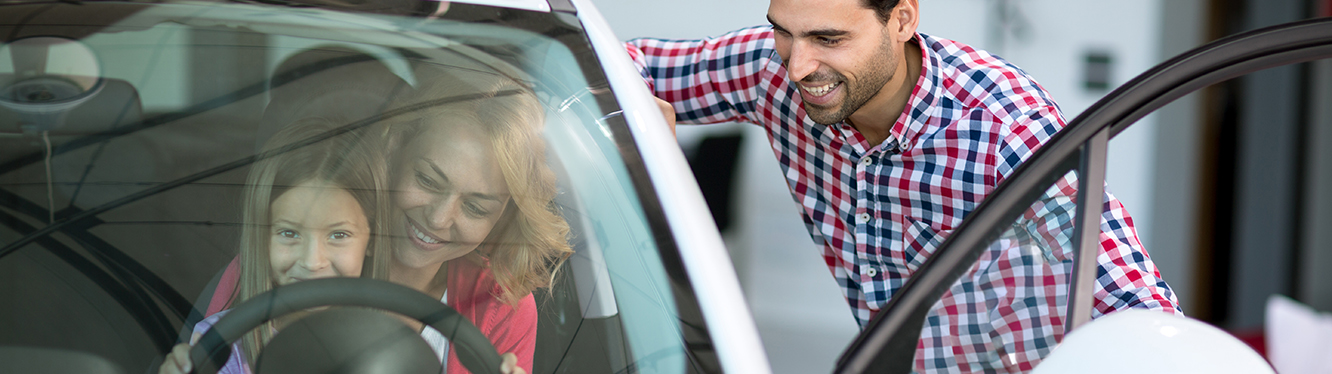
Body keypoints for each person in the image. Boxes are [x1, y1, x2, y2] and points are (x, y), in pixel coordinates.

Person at [624, 0, 1180, 371]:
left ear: (902, 19)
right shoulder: (774, 72)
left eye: (829, 38)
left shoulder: (1002, 129)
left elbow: (1140, 311)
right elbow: (619, 65)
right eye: (783, 32)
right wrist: (637, 120)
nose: (798, 66)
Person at [159, 117, 393, 374]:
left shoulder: (396, 346)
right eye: (289, 233)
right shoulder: (220, 346)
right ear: (261, 237)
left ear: (372, 238)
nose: (313, 261)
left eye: (339, 235)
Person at [375, 71, 573, 374]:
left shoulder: (502, 306)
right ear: (395, 149)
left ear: (502, 218)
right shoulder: (313, 255)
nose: (439, 218)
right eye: (427, 180)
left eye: (475, 208)